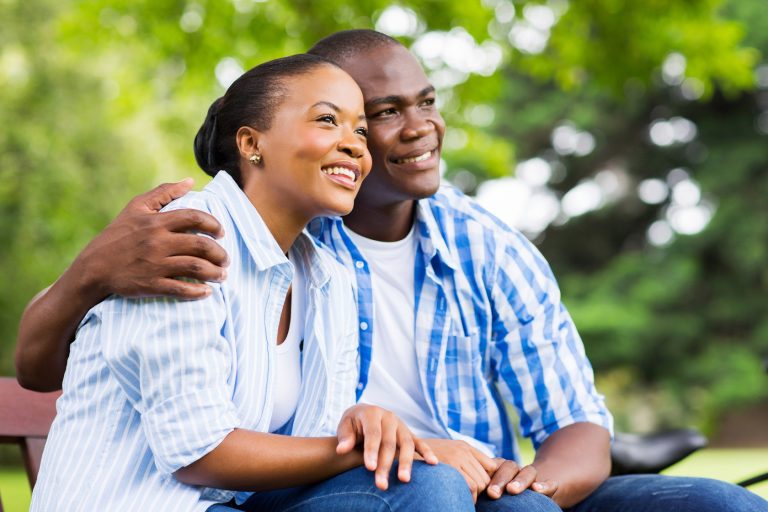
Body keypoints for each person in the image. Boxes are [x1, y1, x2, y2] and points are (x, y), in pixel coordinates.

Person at [18, 31, 768, 512]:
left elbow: (573, 422)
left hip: (470, 484)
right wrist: (87, 272)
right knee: (438, 489)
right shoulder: (217, 235)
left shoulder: (429, 254)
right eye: (354, 116)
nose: (410, 130)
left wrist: (506, 480)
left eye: (423, 103)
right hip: (362, 490)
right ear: (257, 143)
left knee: (722, 507)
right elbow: (194, 442)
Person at [29, 53, 472, 512]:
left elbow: (312, 447)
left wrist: (358, 426)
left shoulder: (329, 278)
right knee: (428, 486)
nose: (355, 145)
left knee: (461, 492)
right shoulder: (186, 238)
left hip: (231, 503)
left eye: (360, 130)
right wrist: (358, 449)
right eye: (327, 120)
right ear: (251, 143)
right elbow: (196, 451)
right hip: (141, 502)